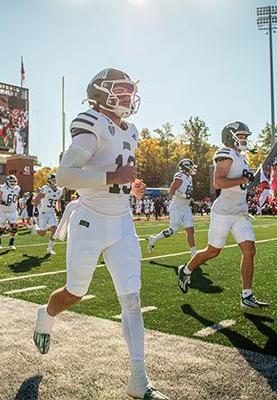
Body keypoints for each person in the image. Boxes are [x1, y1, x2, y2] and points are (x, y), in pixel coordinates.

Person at [33, 68, 168, 400]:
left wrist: (130, 186)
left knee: (131, 299)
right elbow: (65, 175)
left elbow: (119, 175)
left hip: (122, 221)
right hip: (89, 221)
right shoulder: (90, 122)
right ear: (101, 92)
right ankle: (45, 315)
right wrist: (112, 177)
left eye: (128, 90)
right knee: (75, 292)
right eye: (121, 90)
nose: (127, 97)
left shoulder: (131, 130)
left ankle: (139, 378)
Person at [176, 121, 269, 309]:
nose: (244, 139)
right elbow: (218, 182)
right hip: (224, 212)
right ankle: (185, 270)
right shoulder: (225, 153)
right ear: (230, 136)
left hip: (240, 212)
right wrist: (243, 179)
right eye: (240, 136)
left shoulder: (240, 157)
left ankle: (246, 296)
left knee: (249, 250)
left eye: (245, 136)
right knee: (213, 251)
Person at [148, 159, 197, 256]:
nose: (192, 168)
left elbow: (187, 193)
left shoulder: (189, 177)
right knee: (172, 231)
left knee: (190, 230)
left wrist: (189, 199)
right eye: (191, 166)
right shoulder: (180, 176)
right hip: (177, 209)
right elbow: (171, 190)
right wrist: (183, 195)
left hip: (186, 208)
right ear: (186, 167)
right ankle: (154, 239)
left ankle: (193, 253)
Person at [31, 173, 63, 255]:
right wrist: (35, 209)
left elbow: (57, 201)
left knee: (54, 230)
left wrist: (58, 210)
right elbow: (36, 200)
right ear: (49, 181)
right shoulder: (45, 189)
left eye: (56, 180)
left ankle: (49, 249)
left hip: (51, 213)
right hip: (43, 213)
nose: (55, 182)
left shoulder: (60, 190)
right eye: (54, 180)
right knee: (42, 233)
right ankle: (35, 228)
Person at [0, 175, 21, 250]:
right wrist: (4, 203)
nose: (13, 183)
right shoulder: (2, 187)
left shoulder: (17, 188)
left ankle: (11, 243)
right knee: (2, 228)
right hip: (3, 211)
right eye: (11, 181)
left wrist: (19, 206)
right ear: (7, 182)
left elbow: (16, 198)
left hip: (13, 211)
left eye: (14, 181)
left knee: (15, 225)